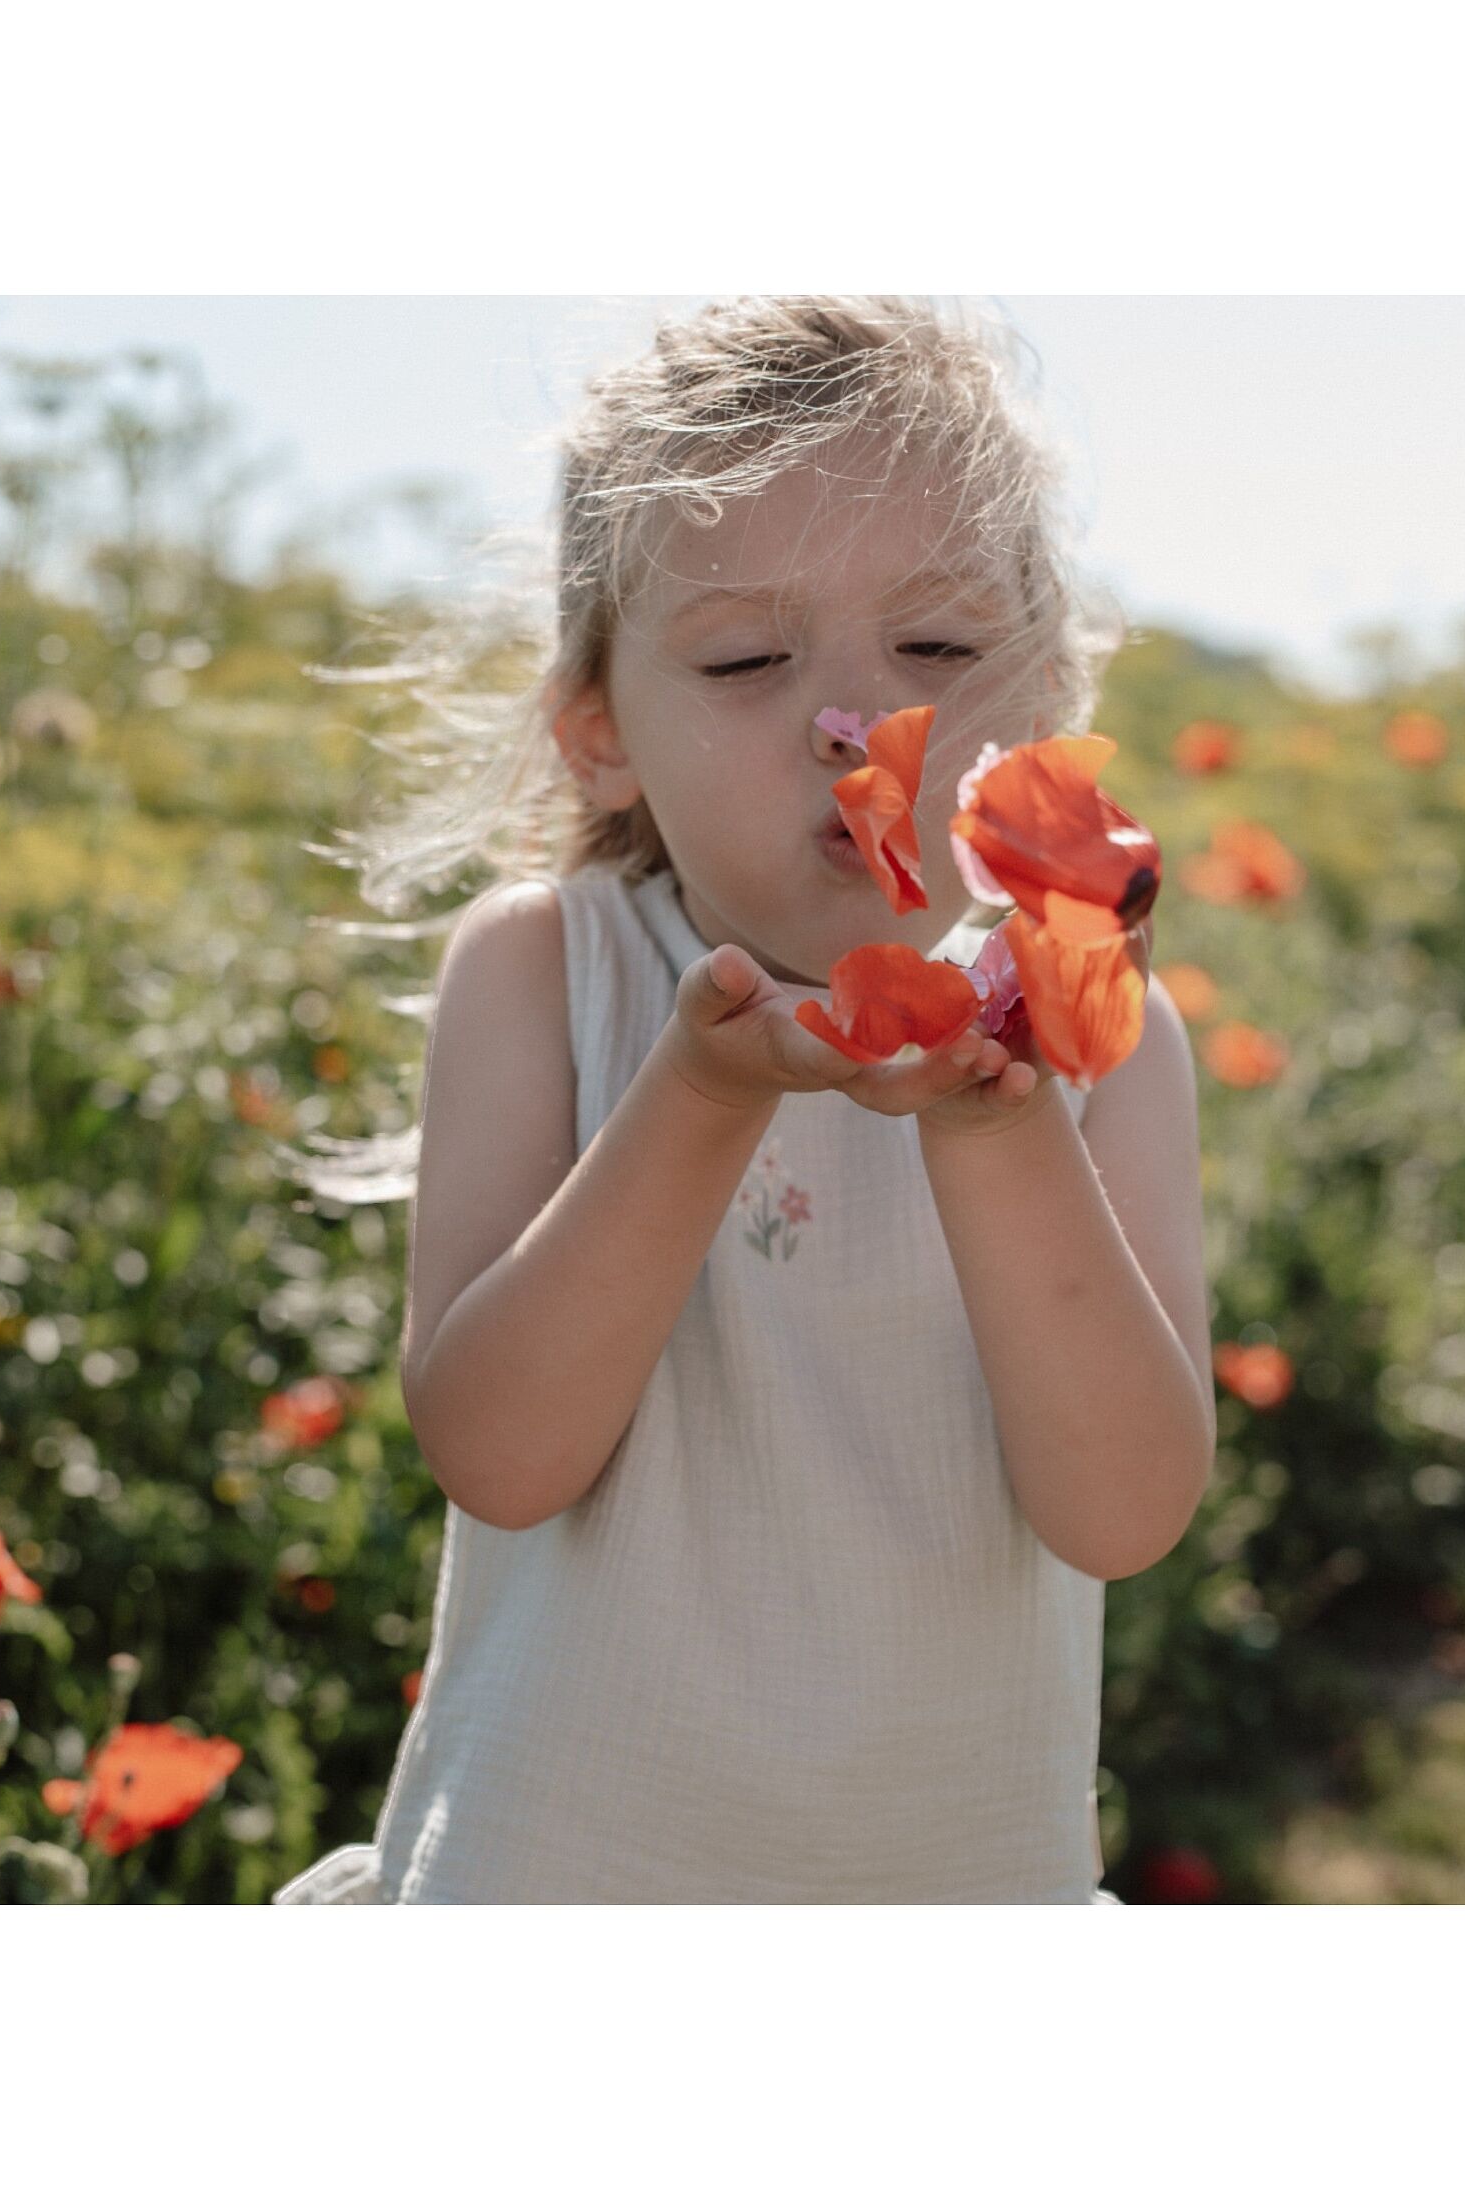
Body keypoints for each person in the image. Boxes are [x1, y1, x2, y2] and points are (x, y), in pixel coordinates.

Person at [272, 295, 1215, 1905]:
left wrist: (998, 1123)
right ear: (599, 734)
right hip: (557, 1878)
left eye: (936, 646)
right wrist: (699, 1094)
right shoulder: (546, 977)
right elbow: (500, 1454)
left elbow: (1123, 1510)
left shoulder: (1097, 1028)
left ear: (1046, 696)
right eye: (747, 657)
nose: (858, 722)